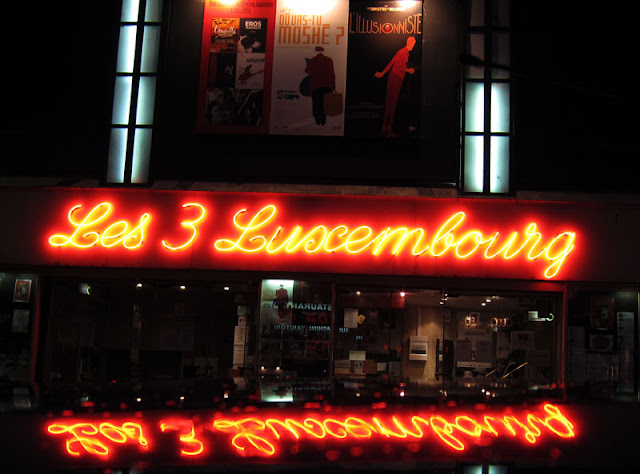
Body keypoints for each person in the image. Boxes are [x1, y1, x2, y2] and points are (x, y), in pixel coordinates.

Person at [374, 36, 417, 137]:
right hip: (397, 78)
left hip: (392, 77)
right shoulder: (405, 52)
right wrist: (409, 70)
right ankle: (387, 128)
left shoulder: (400, 51)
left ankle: (385, 127)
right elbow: (399, 66)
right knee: (392, 103)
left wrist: (383, 73)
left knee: (389, 102)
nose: (413, 47)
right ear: (410, 43)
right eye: (413, 44)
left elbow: (392, 62)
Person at [305, 46, 336, 125]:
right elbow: (332, 73)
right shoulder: (329, 60)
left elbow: (306, 71)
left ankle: (317, 120)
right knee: (324, 103)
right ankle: (323, 120)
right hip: (326, 86)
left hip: (315, 86)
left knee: (316, 103)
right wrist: (333, 85)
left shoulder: (312, 60)